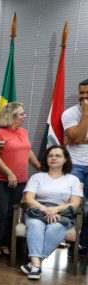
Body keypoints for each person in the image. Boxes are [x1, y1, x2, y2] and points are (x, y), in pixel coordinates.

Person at [20, 145, 82, 280]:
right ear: (46, 159)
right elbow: (28, 199)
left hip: (61, 212)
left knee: (56, 228)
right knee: (36, 225)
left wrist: (56, 209)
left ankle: (34, 265)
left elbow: (75, 203)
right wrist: (46, 209)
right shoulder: (37, 177)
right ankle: (36, 264)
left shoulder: (73, 180)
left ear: (65, 159)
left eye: (58, 155)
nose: (54, 158)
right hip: (37, 210)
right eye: (50, 156)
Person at [0, 102, 41, 258]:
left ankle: (6, 243)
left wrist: (39, 166)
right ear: (11, 116)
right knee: (2, 212)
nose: (25, 116)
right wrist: (9, 173)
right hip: (1, 180)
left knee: (13, 212)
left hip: (20, 180)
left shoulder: (23, 132)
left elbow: (27, 150)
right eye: (21, 114)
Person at [62, 79, 88, 251]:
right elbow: (76, 137)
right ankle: (73, 244)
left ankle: (84, 245)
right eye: (81, 92)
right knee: (75, 204)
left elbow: (75, 139)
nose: (83, 96)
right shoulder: (70, 113)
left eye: (87, 93)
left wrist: (76, 139)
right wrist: (85, 113)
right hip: (75, 165)